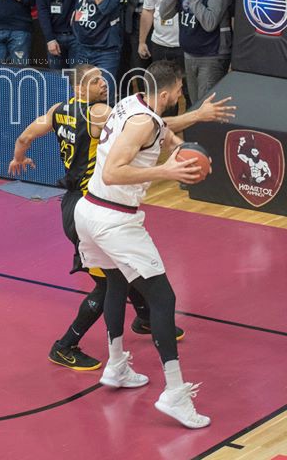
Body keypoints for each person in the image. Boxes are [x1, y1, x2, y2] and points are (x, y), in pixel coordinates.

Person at [9, 62, 235, 371]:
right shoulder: (99, 113)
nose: (103, 84)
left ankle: (145, 318)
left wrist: (19, 158)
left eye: (102, 80)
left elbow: (25, 137)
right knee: (107, 285)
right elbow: (152, 123)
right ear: (79, 88)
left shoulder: (56, 111)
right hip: (91, 204)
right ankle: (65, 345)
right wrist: (197, 116)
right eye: (95, 82)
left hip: (76, 201)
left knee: (119, 271)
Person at [74, 61, 211, 429]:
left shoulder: (132, 103)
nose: (181, 94)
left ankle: (116, 365)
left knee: (116, 283)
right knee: (163, 299)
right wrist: (166, 171)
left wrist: (186, 143)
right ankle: (175, 393)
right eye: (179, 90)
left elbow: (162, 129)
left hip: (89, 210)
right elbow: (112, 172)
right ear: (165, 94)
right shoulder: (144, 122)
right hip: (114, 219)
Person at [158, 0, 232, 103]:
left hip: (212, 55)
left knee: (206, 105)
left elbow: (209, 23)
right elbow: (164, 14)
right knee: (194, 103)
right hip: (190, 53)